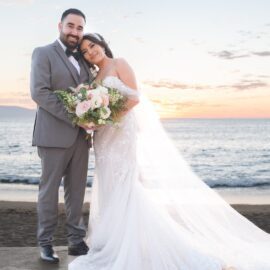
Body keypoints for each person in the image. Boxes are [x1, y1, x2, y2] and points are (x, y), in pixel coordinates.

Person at [69, 33, 270, 270]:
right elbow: (94, 105)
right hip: (103, 138)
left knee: (126, 185)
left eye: (93, 45)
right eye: (85, 51)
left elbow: (134, 97)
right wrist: (91, 121)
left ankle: (133, 244)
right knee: (110, 188)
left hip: (122, 133)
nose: (91, 51)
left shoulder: (119, 63)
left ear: (102, 44)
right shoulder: (94, 77)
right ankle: (115, 240)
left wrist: (107, 116)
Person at [30, 9, 94, 263]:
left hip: (81, 138)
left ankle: (76, 241)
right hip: (53, 136)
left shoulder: (85, 60)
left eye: (80, 28)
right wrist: (77, 117)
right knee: (49, 192)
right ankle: (45, 243)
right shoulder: (43, 53)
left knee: (77, 191)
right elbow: (40, 92)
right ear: (60, 26)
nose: (75, 32)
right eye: (71, 26)